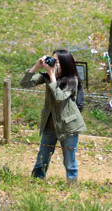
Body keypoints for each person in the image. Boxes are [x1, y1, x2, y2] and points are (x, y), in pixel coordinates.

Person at [20, 49, 86, 181]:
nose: (54, 63)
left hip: (68, 126)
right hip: (50, 125)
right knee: (42, 157)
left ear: (65, 64)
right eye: (53, 60)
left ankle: (72, 186)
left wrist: (52, 76)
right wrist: (37, 66)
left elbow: (59, 97)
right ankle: (36, 181)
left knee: (69, 161)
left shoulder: (72, 80)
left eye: (57, 61)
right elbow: (24, 83)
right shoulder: (47, 76)